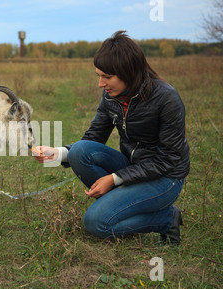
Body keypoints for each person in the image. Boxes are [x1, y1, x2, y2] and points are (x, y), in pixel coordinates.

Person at [33, 31, 190, 244]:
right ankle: (121, 207)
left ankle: (166, 218)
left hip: (165, 178)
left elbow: (168, 160)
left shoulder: (166, 99)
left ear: (129, 72)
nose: (101, 83)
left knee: (96, 222)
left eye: (107, 77)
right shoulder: (111, 96)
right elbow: (92, 139)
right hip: (132, 167)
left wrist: (114, 179)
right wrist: (57, 154)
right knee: (80, 151)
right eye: (99, 75)